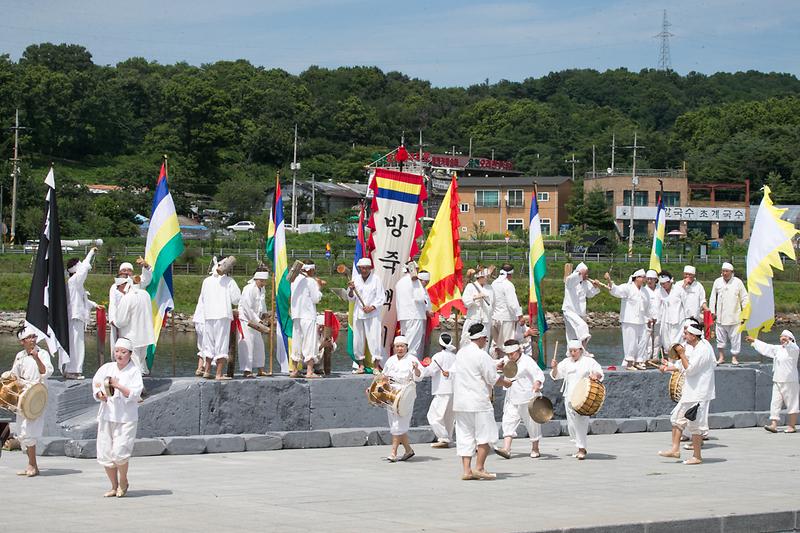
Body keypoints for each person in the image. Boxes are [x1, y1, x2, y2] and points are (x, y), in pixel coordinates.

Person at [452, 323, 512, 480]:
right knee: (486, 435)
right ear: (481, 338)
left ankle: (467, 471)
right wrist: (506, 383)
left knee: (465, 436)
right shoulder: (482, 355)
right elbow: (492, 378)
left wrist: (494, 364)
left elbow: (473, 369)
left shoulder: (460, 353)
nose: (486, 341)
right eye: (485, 339)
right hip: (478, 402)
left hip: (461, 402)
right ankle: (479, 468)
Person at [92, 337, 144, 498]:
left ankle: (123, 480)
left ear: (130, 354)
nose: (119, 355)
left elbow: (135, 393)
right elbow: (97, 384)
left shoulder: (134, 371)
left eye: (123, 352)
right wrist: (99, 394)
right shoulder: (107, 368)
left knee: (120, 451)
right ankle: (114, 486)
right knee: (106, 453)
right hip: (107, 415)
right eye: (117, 351)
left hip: (126, 417)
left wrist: (118, 386)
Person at [658, 324, 716, 465]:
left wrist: (682, 354)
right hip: (690, 392)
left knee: (695, 425)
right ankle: (675, 450)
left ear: (694, 336)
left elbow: (689, 370)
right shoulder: (694, 347)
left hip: (699, 393)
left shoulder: (703, 349)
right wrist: (667, 367)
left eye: (686, 334)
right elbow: (682, 365)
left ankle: (697, 456)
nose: (684, 336)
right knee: (677, 419)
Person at [8, 326, 53, 477]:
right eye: (29, 337)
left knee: (30, 431)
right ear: (22, 341)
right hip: (23, 396)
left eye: (34, 336)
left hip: (37, 395)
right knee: (22, 432)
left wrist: (36, 357)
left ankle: (32, 465)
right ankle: (32, 465)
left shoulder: (43, 353)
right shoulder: (20, 356)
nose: (33, 340)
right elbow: (14, 376)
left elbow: (45, 372)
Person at [550, 340, 604, 460]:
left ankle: (581, 449)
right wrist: (554, 368)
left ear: (580, 350)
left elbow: (599, 372)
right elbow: (556, 376)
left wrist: (595, 375)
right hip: (569, 396)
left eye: (575, 351)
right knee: (571, 425)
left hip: (583, 396)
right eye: (571, 351)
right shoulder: (566, 362)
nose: (573, 353)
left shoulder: (588, 361)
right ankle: (579, 445)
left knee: (581, 423)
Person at [495, 339, 545, 460]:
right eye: (508, 354)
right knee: (508, 421)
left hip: (527, 397)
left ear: (519, 351)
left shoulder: (527, 361)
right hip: (512, 397)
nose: (510, 356)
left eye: (512, 354)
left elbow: (538, 374)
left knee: (532, 424)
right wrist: (498, 367)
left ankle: (535, 448)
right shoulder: (506, 360)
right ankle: (506, 449)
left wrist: (537, 383)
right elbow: (495, 365)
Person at [380, 336, 423, 462]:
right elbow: (384, 376)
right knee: (395, 423)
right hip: (391, 393)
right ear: (394, 347)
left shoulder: (412, 359)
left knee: (399, 423)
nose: (400, 349)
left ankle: (393, 452)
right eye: (397, 346)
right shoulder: (390, 360)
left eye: (402, 346)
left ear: (406, 347)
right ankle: (408, 450)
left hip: (406, 393)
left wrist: (416, 369)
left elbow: (419, 376)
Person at [197, 256, 241, 380]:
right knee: (221, 343)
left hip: (209, 315)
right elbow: (236, 299)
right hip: (222, 315)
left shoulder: (206, 281)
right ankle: (218, 374)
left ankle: (207, 371)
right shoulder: (229, 281)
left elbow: (203, 298)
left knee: (209, 343)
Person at [747, 331, 799, 433]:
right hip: (777, 379)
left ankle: (792, 426)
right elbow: (767, 347)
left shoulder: (794, 350)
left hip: (790, 381)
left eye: (785, 337)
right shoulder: (778, 349)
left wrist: (788, 342)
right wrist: (754, 341)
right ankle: (773, 425)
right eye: (781, 337)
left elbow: (795, 347)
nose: (782, 338)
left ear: (791, 339)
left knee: (792, 403)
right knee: (775, 403)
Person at [65, 247, 101, 379]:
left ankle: (71, 369)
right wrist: (91, 253)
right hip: (75, 316)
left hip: (76, 316)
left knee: (76, 343)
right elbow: (84, 268)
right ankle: (72, 370)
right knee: (76, 344)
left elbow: (82, 300)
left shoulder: (75, 284)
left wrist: (95, 305)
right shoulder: (74, 281)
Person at [606, 269, 652, 370]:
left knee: (643, 341)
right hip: (629, 320)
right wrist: (609, 280)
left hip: (642, 320)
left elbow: (648, 306)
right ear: (636, 278)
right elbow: (616, 291)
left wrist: (649, 318)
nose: (644, 279)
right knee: (631, 342)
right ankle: (630, 363)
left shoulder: (645, 291)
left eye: (644, 277)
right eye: (642, 277)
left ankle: (639, 361)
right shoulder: (628, 287)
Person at [112, 276, 155, 375]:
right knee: (141, 359)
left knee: (134, 363)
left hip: (131, 336)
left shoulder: (127, 298)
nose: (118, 290)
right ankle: (142, 377)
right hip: (146, 335)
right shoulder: (146, 294)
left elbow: (121, 320)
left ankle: (137, 381)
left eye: (118, 287)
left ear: (123, 285)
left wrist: (115, 322)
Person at [349, 258, 385, 373]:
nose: (364, 270)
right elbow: (351, 298)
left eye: (366, 268)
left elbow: (381, 298)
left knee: (374, 339)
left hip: (373, 314)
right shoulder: (355, 279)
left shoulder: (376, 279)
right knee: (358, 340)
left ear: (370, 268)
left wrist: (372, 307)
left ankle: (376, 366)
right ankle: (361, 365)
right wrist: (351, 290)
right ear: (359, 268)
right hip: (358, 313)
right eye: (362, 268)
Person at [108, 258, 152, 351]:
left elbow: (146, 279)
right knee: (120, 346)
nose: (126, 272)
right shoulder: (114, 287)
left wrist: (146, 266)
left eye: (129, 270)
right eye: (124, 270)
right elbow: (113, 304)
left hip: (135, 320)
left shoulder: (136, 283)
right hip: (120, 318)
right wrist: (113, 320)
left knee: (134, 348)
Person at [709, 263, 748, 365]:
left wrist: (745, 314)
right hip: (720, 316)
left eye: (727, 271)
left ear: (732, 272)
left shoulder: (738, 282)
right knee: (720, 338)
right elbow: (713, 298)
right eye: (723, 271)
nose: (725, 273)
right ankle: (721, 357)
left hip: (735, 316)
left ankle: (734, 357)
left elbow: (744, 298)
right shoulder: (717, 281)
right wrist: (712, 312)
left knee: (735, 339)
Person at [424, 332, 457, 448]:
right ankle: (448, 438)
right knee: (449, 417)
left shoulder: (438, 356)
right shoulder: (454, 356)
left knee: (434, 416)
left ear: (439, 343)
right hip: (453, 390)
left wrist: (421, 367)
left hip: (442, 390)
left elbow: (430, 371)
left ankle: (444, 438)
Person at [291, 262, 323, 378]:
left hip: (296, 315)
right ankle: (309, 371)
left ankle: (294, 369)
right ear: (310, 270)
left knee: (297, 341)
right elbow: (316, 299)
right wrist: (319, 287)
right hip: (308, 315)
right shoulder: (311, 281)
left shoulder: (294, 280)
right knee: (310, 342)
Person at [395, 263, 432, 360]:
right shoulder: (415, 281)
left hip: (403, 315)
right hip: (415, 315)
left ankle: (405, 361)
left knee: (405, 340)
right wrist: (426, 308)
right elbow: (419, 298)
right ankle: (409, 363)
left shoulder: (399, 282)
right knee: (413, 343)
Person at [562, 262, 602, 348]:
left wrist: (595, 286)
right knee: (582, 327)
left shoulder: (586, 283)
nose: (587, 275)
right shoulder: (570, 280)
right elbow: (571, 278)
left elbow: (590, 294)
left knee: (573, 336)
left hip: (580, 312)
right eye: (585, 273)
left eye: (587, 273)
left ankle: (573, 351)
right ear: (579, 273)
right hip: (570, 310)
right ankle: (582, 348)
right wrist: (580, 273)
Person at [238, 270, 269, 378]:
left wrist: (265, 314)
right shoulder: (248, 289)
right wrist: (256, 320)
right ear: (258, 279)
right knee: (247, 344)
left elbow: (262, 303)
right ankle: (247, 370)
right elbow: (246, 307)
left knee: (259, 345)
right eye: (263, 281)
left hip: (256, 321)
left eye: (265, 281)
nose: (264, 283)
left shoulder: (262, 289)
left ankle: (260, 369)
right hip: (246, 320)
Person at [491, 264, 524, 358]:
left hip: (495, 317)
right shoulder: (508, 285)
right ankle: (507, 363)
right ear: (510, 274)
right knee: (507, 344)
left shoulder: (494, 283)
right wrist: (520, 316)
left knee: (497, 344)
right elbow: (512, 303)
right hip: (506, 318)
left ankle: (497, 362)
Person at [460, 269, 494, 349]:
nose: (487, 278)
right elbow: (465, 302)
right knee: (467, 341)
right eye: (485, 277)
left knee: (485, 343)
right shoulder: (470, 286)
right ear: (480, 277)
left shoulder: (490, 288)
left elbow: (493, 303)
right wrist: (475, 298)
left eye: (487, 276)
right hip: (473, 318)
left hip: (486, 320)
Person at [658, 271, 684, 351]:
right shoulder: (660, 291)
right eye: (661, 284)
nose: (663, 286)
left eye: (664, 283)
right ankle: (669, 356)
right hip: (665, 321)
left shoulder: (679, 289)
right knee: (666, 342)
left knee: (676, 342)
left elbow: (686, 305)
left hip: (678, 321)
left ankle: (677, 357)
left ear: (669, 281)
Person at [641, 270, 662, 361]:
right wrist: (647, 318)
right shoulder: (643, 290)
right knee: (647, 342)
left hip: (659, 320)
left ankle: (655, 359)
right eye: (648, 279)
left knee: (657, 341)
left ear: (656, 280)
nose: (649, 281)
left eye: (651, 279)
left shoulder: (661, 290)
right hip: (647, 321)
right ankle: (646, 359)